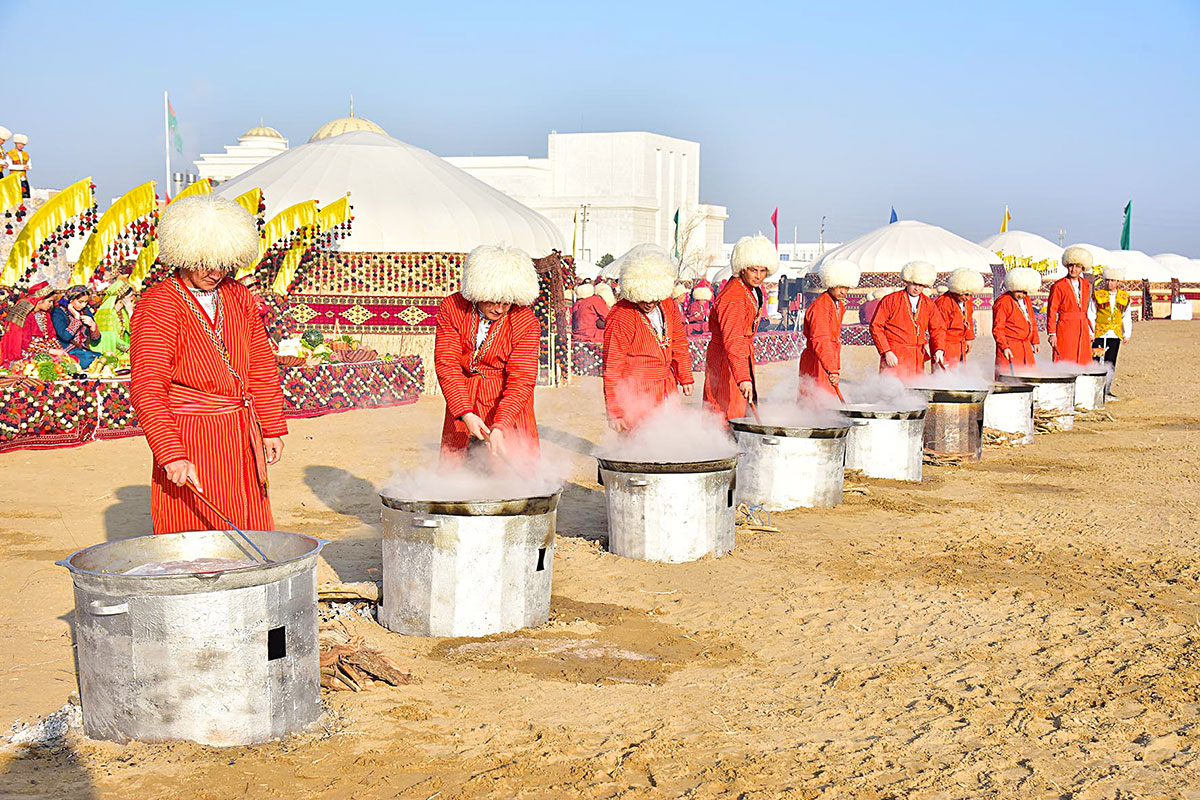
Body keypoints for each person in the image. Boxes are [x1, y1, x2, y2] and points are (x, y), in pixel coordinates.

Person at [129, 195, 288, 534]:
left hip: (240, 433)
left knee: (249, 527)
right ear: (184, 254)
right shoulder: (158, 305)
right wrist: (171, 453)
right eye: (204, 262)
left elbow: (260, 365)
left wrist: (271, 425)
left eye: (223, 263)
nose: (215, 272)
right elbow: (148, 387)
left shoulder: (238, 296)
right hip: (191, 435)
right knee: (195, 532)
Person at [434, 244, 541, 461]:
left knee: (513, 470)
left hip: (506, 401)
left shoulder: (525, 321)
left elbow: (522, 379)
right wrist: (464, 412)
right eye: (492, 300)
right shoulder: (452, 308)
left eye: (506, 302)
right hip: (464, 396)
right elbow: (447, 363)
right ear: (478, 292)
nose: (499, 309)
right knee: (456, 472)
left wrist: (501, 425)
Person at [602, 244, 694, 430]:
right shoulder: (621, 316)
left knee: (670, 437)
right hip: (636, 391)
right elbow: (612, 366)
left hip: (667, 385)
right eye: (643, 298)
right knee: (639, 443)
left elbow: (679, 342)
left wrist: (685, 375)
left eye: (654, 298)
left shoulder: (668, 305)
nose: (649, 303)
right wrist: (616, 411)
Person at [703, 234, 776, 420]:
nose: (759, 276)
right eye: (754, 270)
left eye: (763, 270)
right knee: (725, 410)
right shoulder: (734, 297)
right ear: (742, 269)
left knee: (741, 407)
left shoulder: (752, 290)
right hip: (726, 358)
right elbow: (733, 338)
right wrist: (743, 377)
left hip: (740, 354)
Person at [869, 261, 947, 377]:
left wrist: (939, 349)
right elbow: (876, 326)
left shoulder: (928, 304)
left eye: (921, 285)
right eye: (914, 284)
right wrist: (886, 351)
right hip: (895, 355)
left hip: (917, 357)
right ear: (907, 281)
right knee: (891, 391)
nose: (917, 288)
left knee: (915, 392)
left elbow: (938, 329)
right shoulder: (890, 300)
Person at [798, 259, 859, 397]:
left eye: (846, 287)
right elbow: (821, 339)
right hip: (818, 358)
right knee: (817, 400)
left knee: (826, 398)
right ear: (830, 283)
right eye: (839, 286)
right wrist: (832, 369)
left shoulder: (838, 305)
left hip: (828, 357)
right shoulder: (821, 306)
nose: (843, 291)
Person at [1088, 263, 1133, 398]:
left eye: (1113, 280)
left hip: (1114, 334)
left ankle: (1107, 389)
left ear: (1118, 281)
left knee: (1110, 361)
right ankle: (1095, 389)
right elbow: (1091, 313)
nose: (1110, 283)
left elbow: (1126, 316)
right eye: (1108, 280)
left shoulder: (1124, 297)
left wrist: (1127, 333)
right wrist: (1091, 332)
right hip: (1100, 332)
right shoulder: (1098, 295)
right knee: (1096, 360)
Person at [1047, 246, 1095, 365]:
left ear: (1082, 268)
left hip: (1082, 326)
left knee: (1083, 359)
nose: (1074, 269)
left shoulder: (1085, 284)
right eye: (1071, 265)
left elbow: (1086, 309)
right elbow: (1051, 311)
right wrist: (1052, 333)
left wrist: (1090, 330)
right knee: (1065, 357)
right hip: (1065, 327)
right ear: (1067, 265)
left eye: (1078, 266)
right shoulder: (1058, 286)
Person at [992, 266, 1042, 375]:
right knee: (1010, 379)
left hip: (1026, 346)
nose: (1021, 295)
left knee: (1029, 377)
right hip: (1010, 346)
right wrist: (1004, 347)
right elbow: (998, 328)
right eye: (1019, 291)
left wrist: (1035, 341)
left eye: (1025, 292)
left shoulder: (1026, 299)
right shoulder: (1003, 302)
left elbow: (1032, 320)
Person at [935, 268, 985, 367]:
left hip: (960, 344)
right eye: (966, 294)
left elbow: (969, 318)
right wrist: (939, 349)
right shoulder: (943, 303)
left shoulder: (967, 301)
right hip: (947, 345)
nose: (968, 298)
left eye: (971, 295)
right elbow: (938, 329)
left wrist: (969, 338)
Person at [0, 282, 58, 363]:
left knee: (67, 360)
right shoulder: (26, 315)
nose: (51, 305)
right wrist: (49, 351)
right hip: (27, 351)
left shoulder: (45, 314)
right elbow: (25, 343)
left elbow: (51, 336)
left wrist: (59, 351)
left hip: (44, 348)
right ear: (40, 300)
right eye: (49, 301)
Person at [51, 285, 102, 368]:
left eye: (86, 302)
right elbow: (65, 336)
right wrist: (76, 319)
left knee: (102, 358)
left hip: (84, 351)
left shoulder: (85, 311)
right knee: (89, 361)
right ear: (71, 300)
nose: (83, 305)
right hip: (68, 352)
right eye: (80, 302)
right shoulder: (59, 313)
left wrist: (93, 325)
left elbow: (95, 341)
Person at [94, 277, 136, 354]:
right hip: (111, 350)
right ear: (121, 297)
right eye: (130, 297)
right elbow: (112, 338)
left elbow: (132, 332)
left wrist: (130, 313)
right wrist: (130, 349)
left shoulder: (123, 311)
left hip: (124, 349)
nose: (132, 299)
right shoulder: (106, 313)